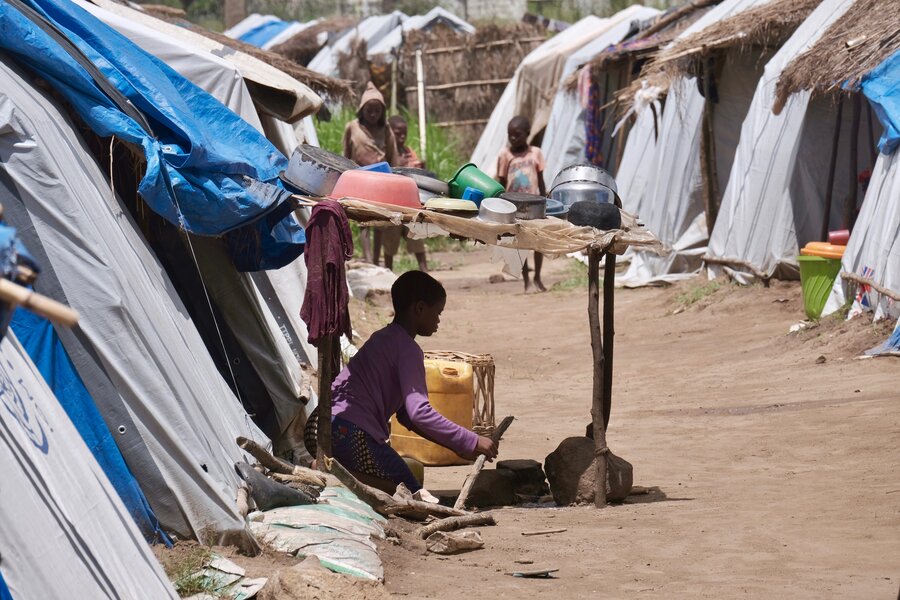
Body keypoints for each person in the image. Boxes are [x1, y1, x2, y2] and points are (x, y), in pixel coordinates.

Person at [304, 271, 499, 494]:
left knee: (398, 487)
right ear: (419, 308)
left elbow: (408, 416)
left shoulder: (381, 337)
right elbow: (420, 413)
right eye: (438, 313)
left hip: (320, 424)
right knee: (408, 492)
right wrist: (472, 440)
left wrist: (459, 446)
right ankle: (326, 473)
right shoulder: (408, 349)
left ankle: (327, 471)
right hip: (350, 433)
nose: (438, 321)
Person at [342, 81, 398, 264]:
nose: (373, 114)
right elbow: (346, 155)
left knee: (379, 221)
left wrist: (395, 177)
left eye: (377, 110)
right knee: (362, 220)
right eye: (369, 110)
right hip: (360, 178)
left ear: (382, 111)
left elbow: (392, 155)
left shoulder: (386, 128)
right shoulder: (352, 127)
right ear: (362, 110)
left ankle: (375, 259)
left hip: (381, 179)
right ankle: (367, 258)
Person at [496, 115, 547, 292]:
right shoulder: (505, 154)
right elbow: (501, 182)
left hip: (534, 205)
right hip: (514, 207)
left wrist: (545, 200)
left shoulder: (536, 153)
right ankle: (526, 281)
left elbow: (540, 180)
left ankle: (538, 277)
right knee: (522, 245)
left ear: (527, 133)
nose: (512, 138)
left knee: (537, 243)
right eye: (510, 135)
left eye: (517, 135)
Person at [382, 115, 428, 272]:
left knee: (416, 237)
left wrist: (420, 167)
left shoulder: (409, 152)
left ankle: (424, 270)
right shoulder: (387, 153)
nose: (402, 137)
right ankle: (388, 272)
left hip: (409, 204)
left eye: (404, 133)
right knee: (390, 242)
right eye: (397, 133)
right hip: (392, 204)